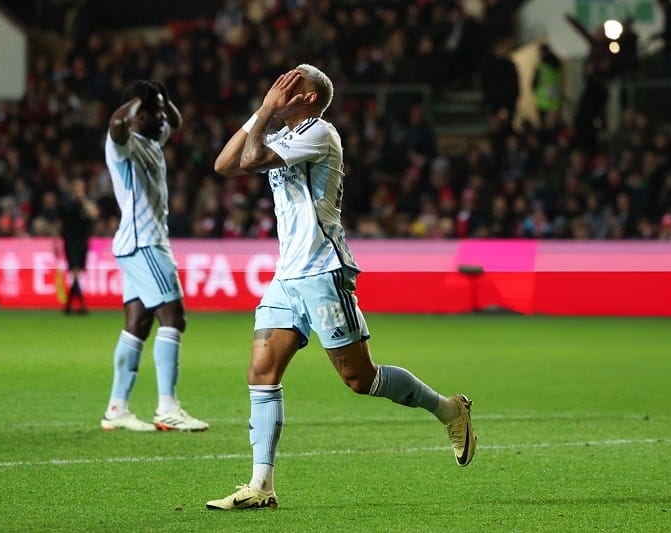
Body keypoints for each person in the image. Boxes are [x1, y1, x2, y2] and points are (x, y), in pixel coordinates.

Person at [206, 65, 476, 510]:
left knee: (359, 378)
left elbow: (250, 160)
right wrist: (263, 112)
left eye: (289, 88)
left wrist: (267, 112)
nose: (278, 91)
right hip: (287, 276)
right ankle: (261, 486)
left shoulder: (319, 133)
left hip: (323, 269)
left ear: (309, 99)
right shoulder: (284, 134)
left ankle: (449, 409)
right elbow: (223, 165)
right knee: (261, 372)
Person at [101, 79, 208, 432]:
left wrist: (160, 95)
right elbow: (116, 125)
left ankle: (117, 408)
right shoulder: (123, 144)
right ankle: (167, 407)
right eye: (155, 111)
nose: (163, 116)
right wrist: (136, 101)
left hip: (138, 243)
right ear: (136, 113)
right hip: (144, 243)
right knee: (174, 317)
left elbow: (175, 123)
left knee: (138, 325)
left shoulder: (151, 139)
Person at [58, 177, 99, 314]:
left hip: (83, 241)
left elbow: (95, 214)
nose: (79, 191)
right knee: (75, 270)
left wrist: (83, 200)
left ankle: (69, 305)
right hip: (70, 241)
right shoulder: (66, 204)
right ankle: (79, 304)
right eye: (77, 188)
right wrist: (55, 242)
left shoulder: (86, 203)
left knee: (79, 271)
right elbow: (59, 223)